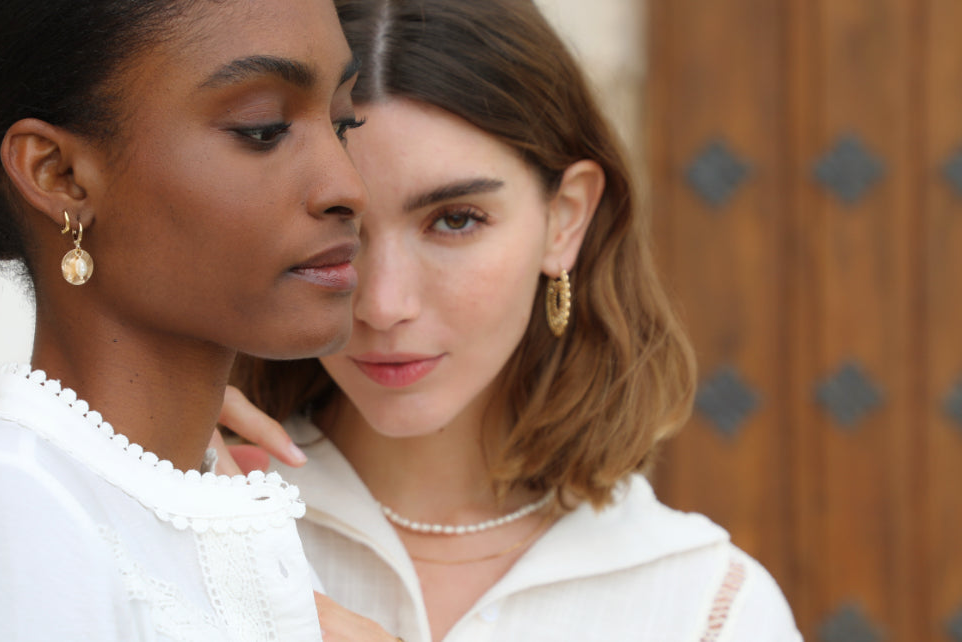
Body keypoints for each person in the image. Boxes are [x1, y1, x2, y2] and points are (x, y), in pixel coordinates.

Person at [223, 0, 803, 639]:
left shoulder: (705, 607)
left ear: (566, 219)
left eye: (455, 220)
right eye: (341, 223)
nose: (384, 305)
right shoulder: (196, 518)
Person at [0, 0, 368, 639]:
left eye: (342, 123)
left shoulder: (210, 512)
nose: (348, 187)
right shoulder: (11, 508)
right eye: (263, 128)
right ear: (59, 174)